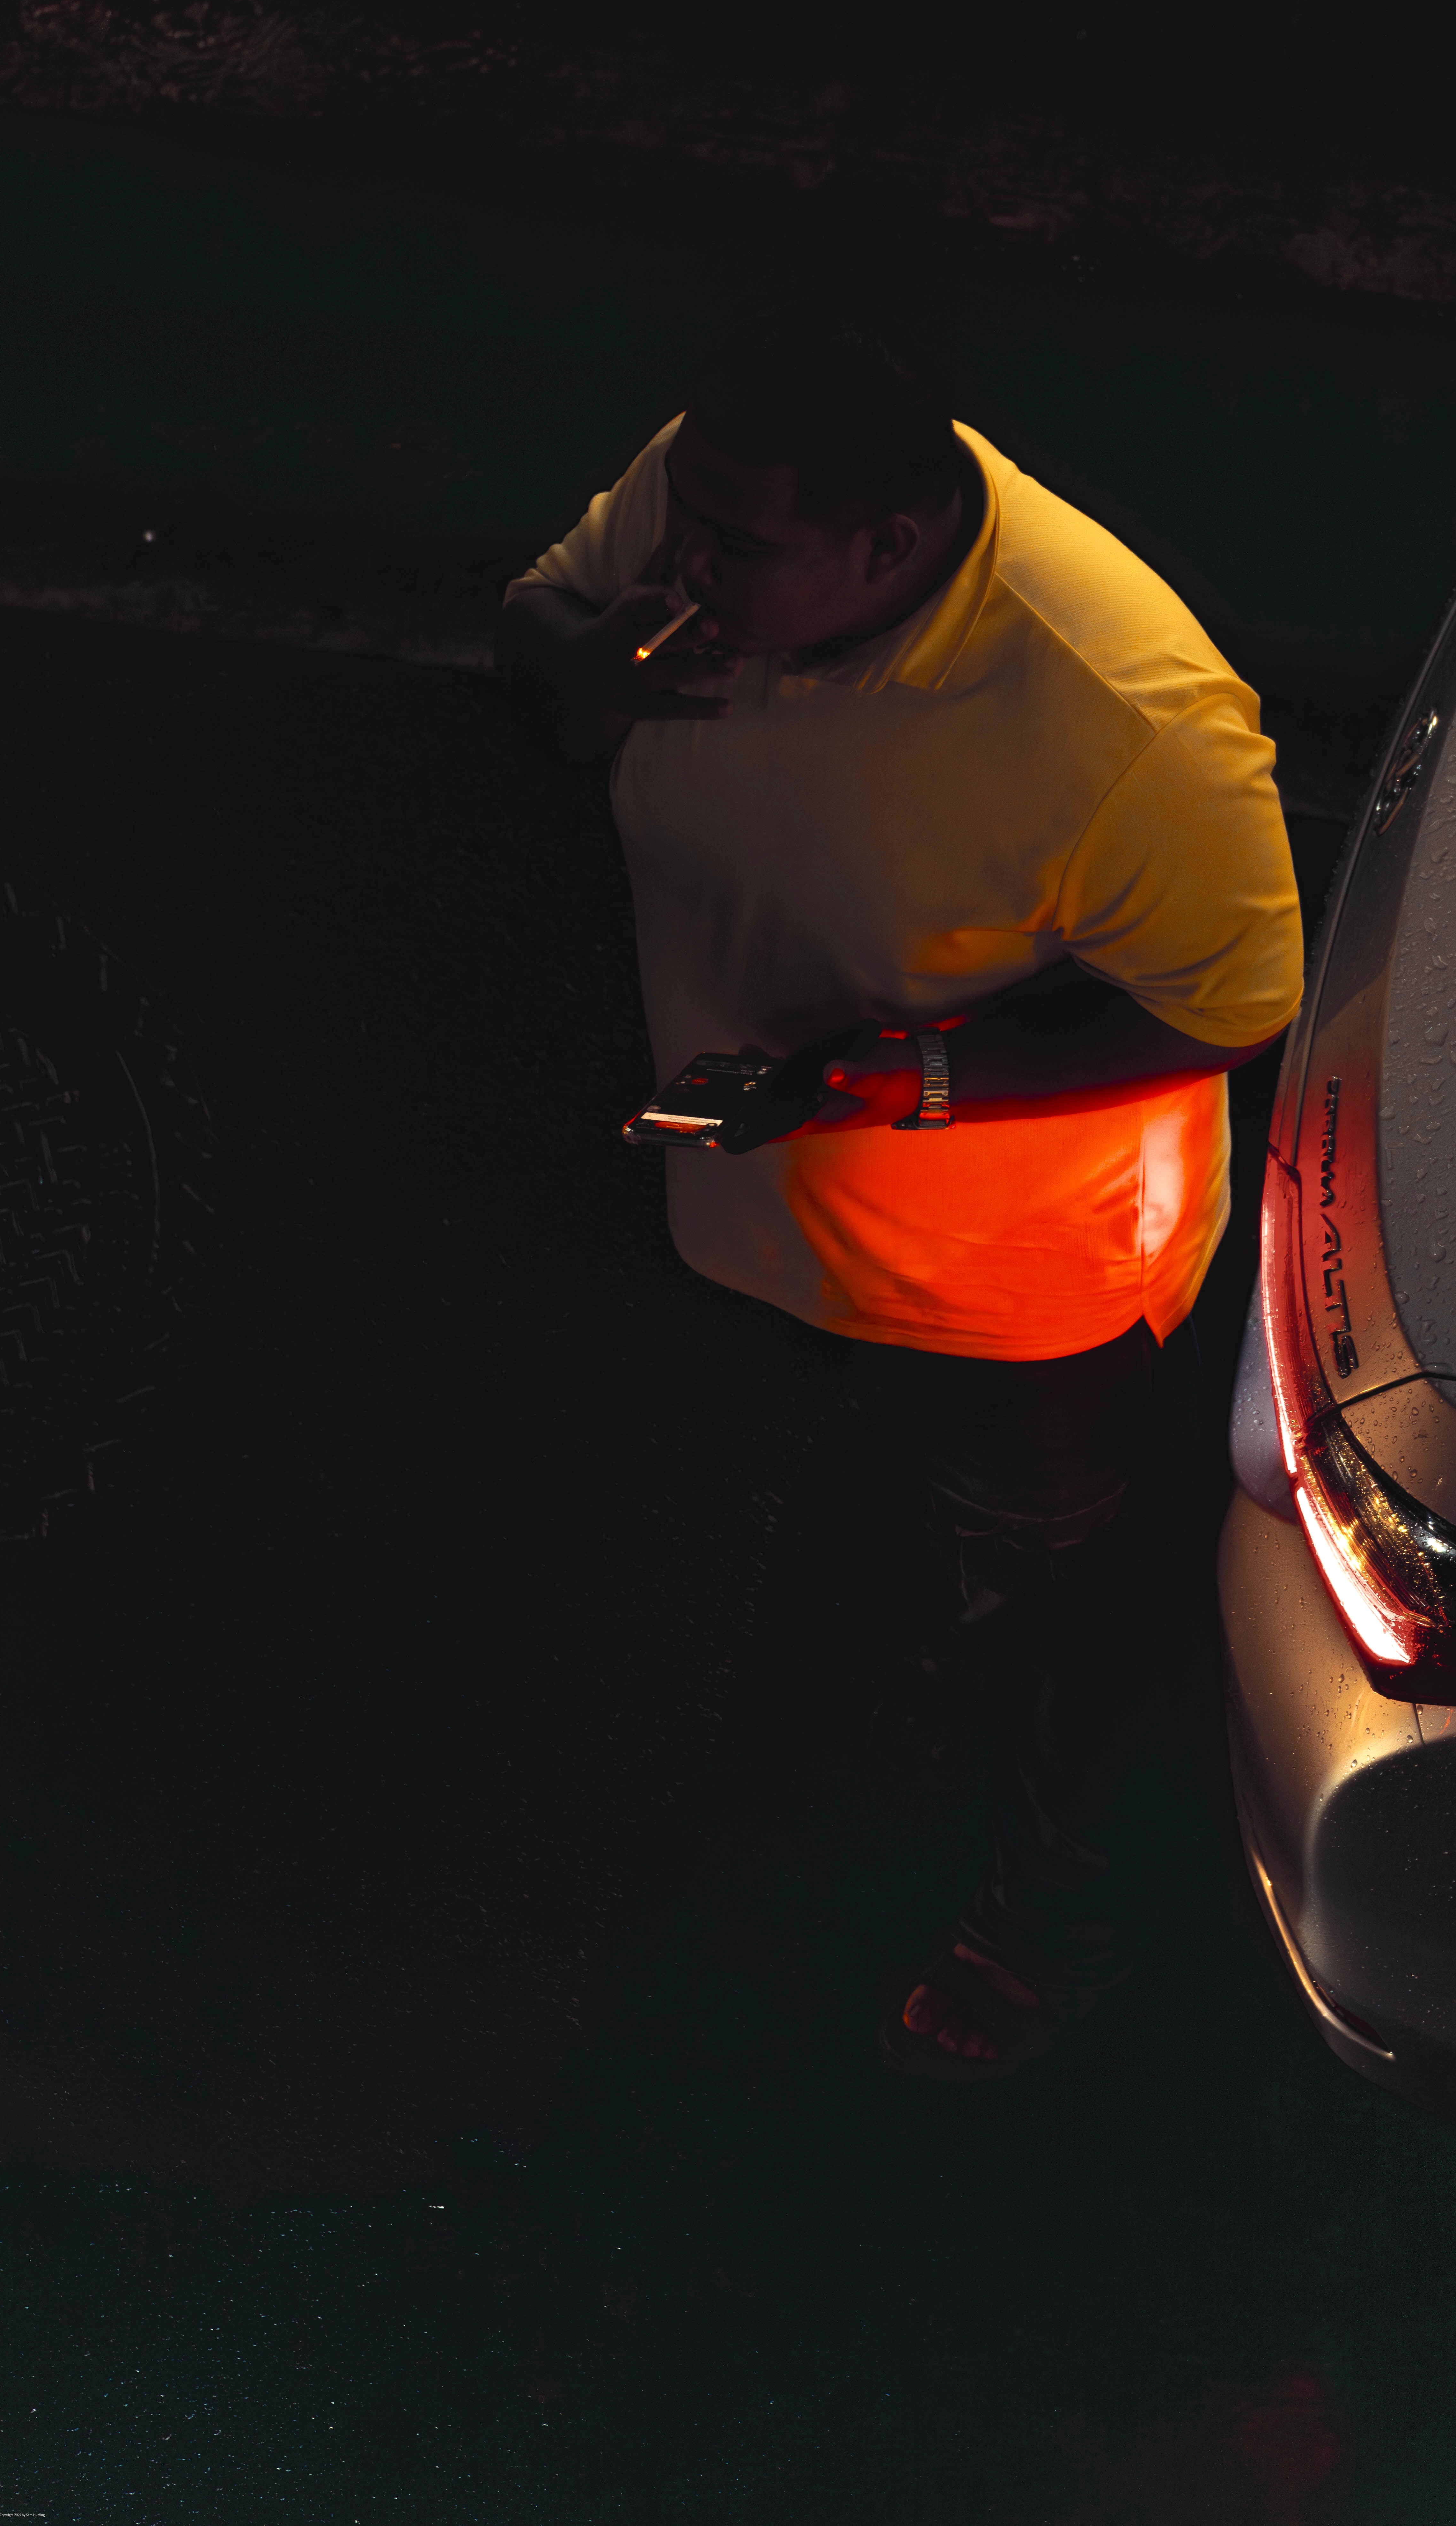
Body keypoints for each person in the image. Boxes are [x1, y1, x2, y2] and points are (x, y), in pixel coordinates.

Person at [496, 303, 1303, 2077]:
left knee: (1032, 1611)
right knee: (788, 1545)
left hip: (1010, 1283)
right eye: (684, 525)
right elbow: (544, 605)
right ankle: (763, 1815)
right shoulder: (722, 507)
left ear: (887, 540)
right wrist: (593, 657)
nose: (685, 563)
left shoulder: (1120, 714)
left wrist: (923, 1077)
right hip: (748, 1206)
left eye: (733, 548)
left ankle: (1025, 1914)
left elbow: (1232, 1003)